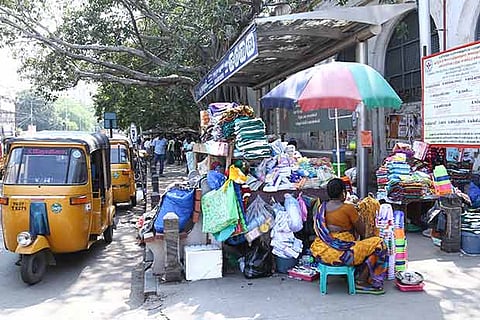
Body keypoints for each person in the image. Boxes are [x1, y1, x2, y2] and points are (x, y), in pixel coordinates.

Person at [310, 178, 387, 294]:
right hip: (342, 254)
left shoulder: (321, 208)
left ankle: (351, 274)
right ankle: (361, 281)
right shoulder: (348, 208)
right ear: (343, 193)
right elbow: (362, 232)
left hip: (322, 252)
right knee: (379, 243)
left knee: (358, 244)